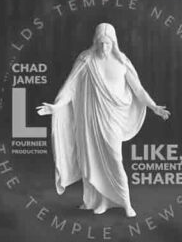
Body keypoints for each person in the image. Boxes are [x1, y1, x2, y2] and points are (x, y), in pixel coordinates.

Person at [37, 22, 170, 216]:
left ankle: (126, 203)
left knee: (115, 159)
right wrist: (56, 106)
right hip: (90, 120)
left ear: (114, 43)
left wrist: (154, 106)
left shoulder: (122, 62)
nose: (104, 47)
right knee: (91, 159)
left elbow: (138, 89)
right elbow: (70, 87)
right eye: (100, 43)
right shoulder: (86, 60)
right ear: (95, 42)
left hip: (113, 119)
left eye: (107, 43)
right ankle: (99, 201)